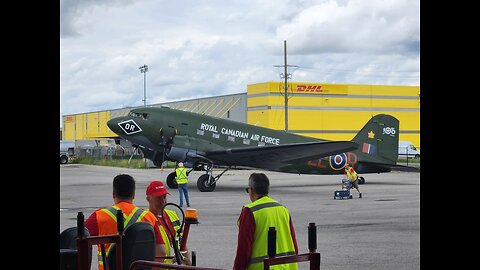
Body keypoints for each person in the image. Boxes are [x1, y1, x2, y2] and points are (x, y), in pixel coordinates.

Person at [84, 174, 166, 270]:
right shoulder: (149, 217)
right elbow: (161, 252)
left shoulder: (99, 216)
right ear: (133, 195)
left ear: (114, 194)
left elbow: (79, 241)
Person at [233, 173, 298, 270]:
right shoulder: (283, 209)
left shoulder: (250, 211)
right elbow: (294, 244)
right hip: (288, 267)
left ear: (251, 190)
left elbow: (244, 250)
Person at [146, 180, 191, 265]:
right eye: (158, 198)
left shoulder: (172, 215)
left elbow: (182, 243)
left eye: (164, 197)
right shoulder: (146, 219)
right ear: (148, 199)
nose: (163, 201)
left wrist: (189, 265)